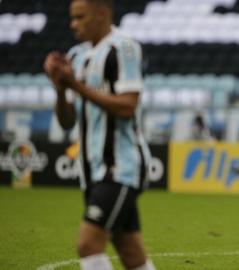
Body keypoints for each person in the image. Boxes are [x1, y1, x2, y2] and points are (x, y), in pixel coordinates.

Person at [43, 0, 155, 269]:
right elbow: (67, 121)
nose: (73, 24)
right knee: (131, 254)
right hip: (92, 170)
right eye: (72, 18)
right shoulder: (76, 56)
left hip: (121, 167)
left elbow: (128, 106)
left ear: (102, 14)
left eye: (80, 17)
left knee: (88, 244)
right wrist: (60, 88)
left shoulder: (124, 48)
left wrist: (75, 85)